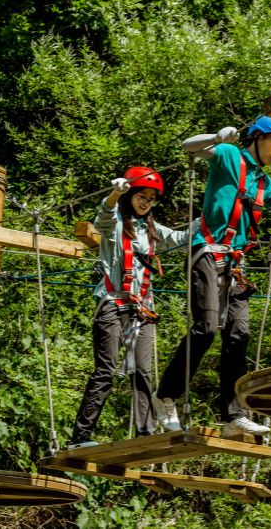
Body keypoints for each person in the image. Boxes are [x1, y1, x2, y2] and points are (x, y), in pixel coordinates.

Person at [153, 116, 271, 437]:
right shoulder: (229, 155)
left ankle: (233, 417)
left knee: (238, 336)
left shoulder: (264, 183)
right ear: (256, 138)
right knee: (206, 328)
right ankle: (166, 397)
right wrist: (217, 136)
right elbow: (189, 147)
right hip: (208, 251)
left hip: (236, 264)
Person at [68, 167, 194, 448]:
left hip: (142, 310)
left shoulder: (151, 230)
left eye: (151, 198)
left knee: (143, 372)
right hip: (113, 304)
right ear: (131, 195)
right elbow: (103, 216)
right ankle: (81, 437)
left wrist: (210, 218)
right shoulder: (115, 225)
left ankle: (145, 434)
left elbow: (181, 239)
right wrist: (116, 193)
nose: (146, 202)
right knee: (106, 370)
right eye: (142, 195)